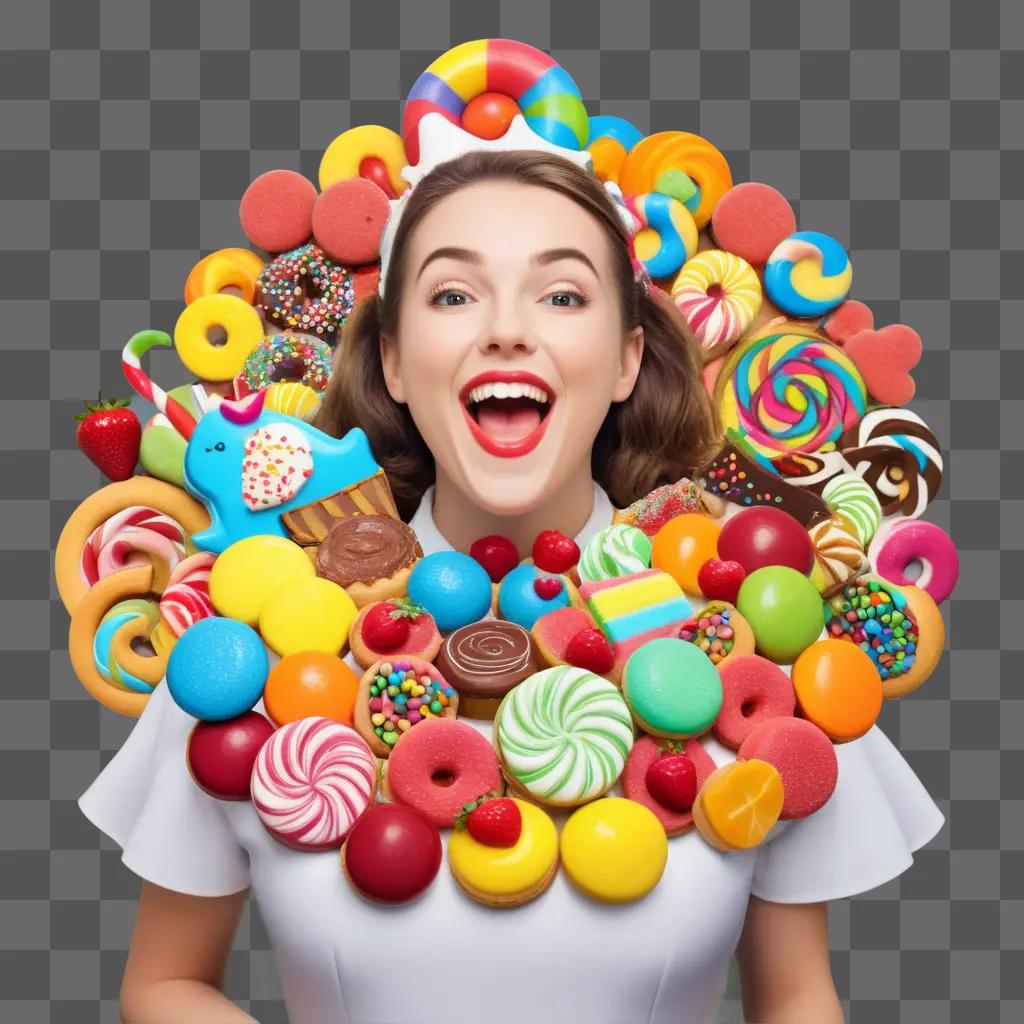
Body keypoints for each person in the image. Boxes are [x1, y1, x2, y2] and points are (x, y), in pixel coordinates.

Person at [79, 148, 944, 1024]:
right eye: (453, 295)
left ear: (625, 360)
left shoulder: (764, 637)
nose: (506, 330)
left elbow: (796, 1001)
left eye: (562, 295)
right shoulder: (250, 646)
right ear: (392, 362)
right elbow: (163, 985)